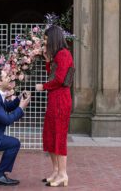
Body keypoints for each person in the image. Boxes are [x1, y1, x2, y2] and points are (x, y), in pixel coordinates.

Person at [35, 25, 74, 187]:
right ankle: (56, 171)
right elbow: (52, 73)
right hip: (54, 99)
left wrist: (42, 86)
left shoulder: (64, 54)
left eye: (46, 39)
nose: (44, 42)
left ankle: (63, 174)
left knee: (59, 136)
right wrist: (47, 60)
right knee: (50, 135)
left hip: (61, 100)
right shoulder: (57, 55)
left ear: (53, 39)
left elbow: (58, 79)